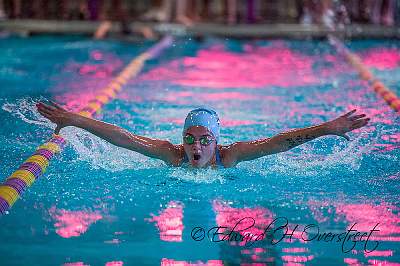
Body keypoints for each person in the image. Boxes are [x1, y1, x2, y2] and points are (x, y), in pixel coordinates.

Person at [36, 102, 370, 169]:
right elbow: (122, 137)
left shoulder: (232, 155)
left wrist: (327, 128)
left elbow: (280, 143)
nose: (197, 146)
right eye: (190, 138)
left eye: (204, 139)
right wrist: (74, 120)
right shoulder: (172, 154)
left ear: (216, 140)